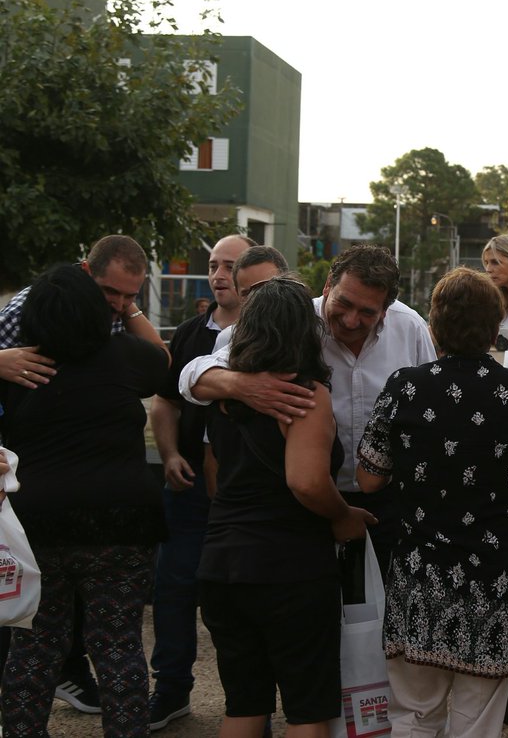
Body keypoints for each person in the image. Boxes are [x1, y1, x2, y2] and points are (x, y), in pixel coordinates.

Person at [355, 267, 508, 737]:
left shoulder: (404, 386)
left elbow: (368, 478)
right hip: (495, 580)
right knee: (477, 721)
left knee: (413, 714)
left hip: (421, 575)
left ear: (434, 325)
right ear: (494, 326)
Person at [179, 244, 436, 570]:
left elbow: (432, 407)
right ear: (328, 286)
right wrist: (243, 384)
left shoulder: (409, 327)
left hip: (388, 503)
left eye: (367, 312)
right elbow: (191, 378)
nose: (351, 320)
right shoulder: (293, 320)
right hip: (309, 505)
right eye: (344, 303)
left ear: (386, 309)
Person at [199, 276, 375, 738]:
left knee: (243, 704)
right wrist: (343, 516)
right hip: (290, 568)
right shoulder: (304, 394)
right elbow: (306, 481)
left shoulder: (224, 396)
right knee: (306, 706)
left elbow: (213, 474)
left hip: (222, 562)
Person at [0, 264, 170, 737]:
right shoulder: (127, 356)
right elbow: (164, 362)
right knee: (117, 646)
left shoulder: (17, 366)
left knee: (33, 646)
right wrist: (130, 309)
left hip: (38, 524)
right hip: (122, 524)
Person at [147, 237, 288, 731]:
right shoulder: (192, 334)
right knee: (174, 588)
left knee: (251, 606)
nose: (220, 275)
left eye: (232, 267)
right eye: (213, 265)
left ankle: (256, 705)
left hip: (255, 498)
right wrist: (169, 454)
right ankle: (171, 689)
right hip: (191, 489)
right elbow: (167, 399)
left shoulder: (292, 335)